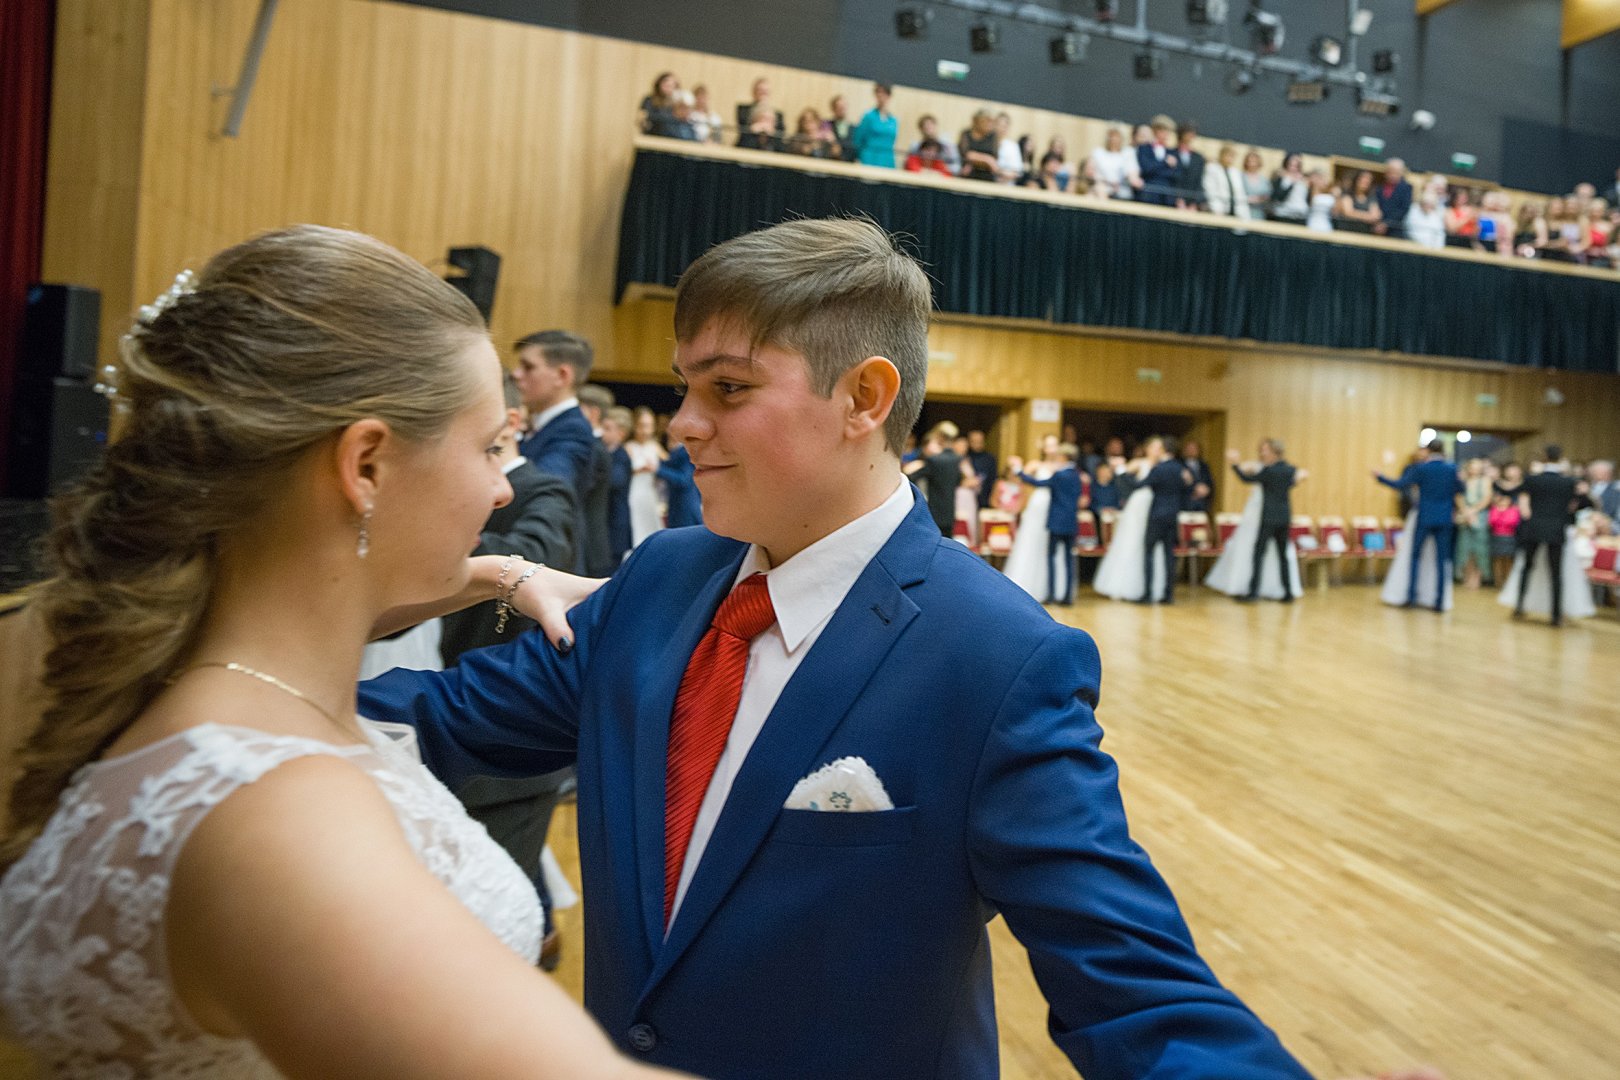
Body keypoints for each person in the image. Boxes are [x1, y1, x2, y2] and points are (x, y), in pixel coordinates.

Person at [359, 218, 1312, 1079]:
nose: (684, 423)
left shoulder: (997, 656)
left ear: (864, 397)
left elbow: (1135, 988)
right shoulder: (657, 581)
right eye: (686, 388)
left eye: (728, 388)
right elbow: (422, 722)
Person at [0, 226, 686, 1079]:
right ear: (365, 465)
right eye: (486, 448)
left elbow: (323, 594)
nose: (500, 487)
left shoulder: (184, 664)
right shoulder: (276, 817)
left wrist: (499, 573)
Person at [514, 330, 599, 575]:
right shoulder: (545, 426)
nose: (516, 374)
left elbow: (548, 486)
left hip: (544, 563)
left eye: (528, 367)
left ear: (562, 375)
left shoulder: (572, 430)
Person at [1500, 448, 1587, 626]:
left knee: (1527, 567)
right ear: (1560, 458)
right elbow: (1578, 504)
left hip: (1534, 529)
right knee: (1556, 573)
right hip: (1556, 530)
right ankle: (1556, 614)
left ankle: (1519, 606)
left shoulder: (1533, 480)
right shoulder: (1568, 482)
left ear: (1545, 458)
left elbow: (1511, 492)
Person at [1209, 440, 1303, 603]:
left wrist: (1235, 465)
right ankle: (1288, 592)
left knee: (1258, 554)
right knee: (1283, 556)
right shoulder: (1290, 470)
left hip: (1268, 518)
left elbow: (1246, 479)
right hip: (1284, 517)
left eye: (1266, 451)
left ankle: (1253, 592)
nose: (1263, 454)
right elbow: (1293, 482)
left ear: (1275, 452)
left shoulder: (1269, 471)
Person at [1375, 440, 1463, 611]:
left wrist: (1380, 477)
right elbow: (1461, 489)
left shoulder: (1421, 468)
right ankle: (1439, 601)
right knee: (1441, 560)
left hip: (1425, 517)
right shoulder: (1452, 469)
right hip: (1444, 519)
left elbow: (1400, 484)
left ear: (1428, 451)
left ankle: (1412, 597)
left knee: (1415, 557)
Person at [1016, 444, 1082, 604]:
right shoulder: (1076, 475)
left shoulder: (1060, 475)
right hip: (1071, 521)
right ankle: (1067, 596)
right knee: (1068, 560)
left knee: (1051, 557)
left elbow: (1039, 483)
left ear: (1064, 457)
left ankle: (1051, 594)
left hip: (1056, 521)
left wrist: (1020, 472)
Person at [1091, 451, 1156, 601]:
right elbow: (1126, 482)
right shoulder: (1137, 464)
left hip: (1148, 507)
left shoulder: (1159, 466)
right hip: (1135, 506)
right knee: (1129, 542)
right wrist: (1120, 469)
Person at [1002, 437, 1061, 601]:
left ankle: (1051, 587)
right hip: (1038, 505)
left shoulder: (1061, 467)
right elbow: (1019, 481)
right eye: (1049, 445)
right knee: (1032, 539)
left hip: (1054, 505)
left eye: (1055, 445)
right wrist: (1017, 467)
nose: (1052, 449)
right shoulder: (1036, 465)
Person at [1137, 436, 1194, 604]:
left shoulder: (1159, 468)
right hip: (1173, 515)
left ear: (1163, 449)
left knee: (1149, 552)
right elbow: (1188, 489)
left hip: (1157, 515)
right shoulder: (1180, 468)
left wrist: (1122, 475)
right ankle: (1168, 594)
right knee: (1169, 555)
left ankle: (1148, 593)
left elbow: (1142, 484)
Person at [902, 425, 962, 535]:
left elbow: (911, 478)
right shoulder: (956, 459)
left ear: (940, 440)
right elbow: (959, 481)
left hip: (934, 513)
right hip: (950, 513)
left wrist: (911, 467)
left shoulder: (933, 461)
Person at [625, 406, 667, 547]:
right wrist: (637, 471)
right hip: (633, 494)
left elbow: (669, 466)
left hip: (651, 494)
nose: (645, 430)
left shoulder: (655, 446)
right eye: (641, 426)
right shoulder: (628, 447)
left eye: (648, 426)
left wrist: (657, 470)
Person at [600, 406, 635, 564]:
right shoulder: (607, 453)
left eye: (607, 428)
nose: (602, 432)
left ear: (621, 433)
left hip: (615, 525)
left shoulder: (621, 456)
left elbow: (614, 481)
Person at [1455, 458, 1494, 588]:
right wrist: (1465, 511)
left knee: (1480, 548)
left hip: (1480, 516)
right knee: (1464, 548)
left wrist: (1474, 511)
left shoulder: (1485, 481)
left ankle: (1478, 577)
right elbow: (1458, 496)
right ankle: (1465, 575)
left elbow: (1487, 498)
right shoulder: (1463, 480)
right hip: (1464, 515)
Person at [656, 435, 703, 529]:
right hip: (677, 507)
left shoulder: (685, 452)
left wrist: (657, 469)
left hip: (685, 507)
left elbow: (684, 480)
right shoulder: (675, 451)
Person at [1136, 114, 1181, 206]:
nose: (1166, 134)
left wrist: (1157, 167)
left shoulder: (1172, 152)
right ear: (1156, 130)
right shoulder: (1144, 148)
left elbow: (1176, 174)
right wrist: (1165, 163)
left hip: (1167, 196)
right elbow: (1146, 168)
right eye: (1163, 130)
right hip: (1149, 193)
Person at [850, 82, 898, 168]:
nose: (881, 95)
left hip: (887, 160)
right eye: (878, 92)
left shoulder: (893, 120)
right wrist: (858, 158)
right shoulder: (868, 117)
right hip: (869, 158)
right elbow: (858, 140)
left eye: (884, 93)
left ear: (889, 96)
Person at [1088, 126, 1142, 200]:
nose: (1113, 139)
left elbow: (1132, 173)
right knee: (1095, 191)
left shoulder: (1128, 152)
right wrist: (1106, 183)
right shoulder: (1098, 152)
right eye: (1111, 136)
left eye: (1116, 136)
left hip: (1122, 192)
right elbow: (1090, 172)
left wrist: (1135, 181)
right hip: (1102, 189)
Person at [1203, 143, 1250, 218]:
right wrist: (1216, 210)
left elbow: (1240, 193)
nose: (1230, 158)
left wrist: (1244, 214)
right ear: (1222, 155)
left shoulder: (1235, 172)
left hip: (1235, 212)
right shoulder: (1212, 168)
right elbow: (1210, 191)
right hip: (1218, 211)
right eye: (1228, 155)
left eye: (1233, 156)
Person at [1487, 491, 1522, 587]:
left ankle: (1508, 582)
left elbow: (1512, 522)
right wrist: (1501, 514)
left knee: (1508, 559)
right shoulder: (1494, 509)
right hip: (1496, 537)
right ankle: (1498, 582)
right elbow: (1492, 521)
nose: (1503, 501)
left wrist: (1500, 516)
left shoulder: (1514, 510)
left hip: (1509, 538)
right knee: (1497, 559)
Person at [734, 77, 782, 145]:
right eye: (760, 90)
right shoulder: (743, 110)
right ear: (753, 92)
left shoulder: (779, 114)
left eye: (765, 91)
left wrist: (771, 131)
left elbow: (781, 136)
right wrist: (753, 129)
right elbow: (741, 130)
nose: (763, 93)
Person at [1373, 158, 1413, 239]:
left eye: (1396, 172)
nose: (1393, 175)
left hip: (1395, 230)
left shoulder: (1406, 188)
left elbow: (1403, 209)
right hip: (1376, 227)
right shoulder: (1379, 187)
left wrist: (1386, 224)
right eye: (1390, 172)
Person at [959, 108, 1001, 182]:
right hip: (968, 172)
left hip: (987, 173)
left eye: (991, 121)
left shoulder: (993, 136)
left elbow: (994, 157)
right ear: (977, 121)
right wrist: (987, 160)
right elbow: (967, 154)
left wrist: (976, 159)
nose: (989, 124)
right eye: (986, 121)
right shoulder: (966, 134)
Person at [1173, 122, 1207, 211]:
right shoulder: (1171, 153)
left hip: (1192, 203)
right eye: (1188, 132)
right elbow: (1172, 179)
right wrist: (1178, 199)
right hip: (1173, 200)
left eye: (1192, 133)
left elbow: (1199, 182)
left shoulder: (1198, 158)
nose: (1191, 135)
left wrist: (1195, 203)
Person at [1269, 153, 1310, 223]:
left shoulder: (1303, 180)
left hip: (1301, 215)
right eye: (1291, 165)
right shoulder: (1281, 179)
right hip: (1284, 214)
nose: (1294, 168)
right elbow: (1278, 197)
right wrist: (1292, 183)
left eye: (1297, 165)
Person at [966, 428, 998, 509]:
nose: (977, 444)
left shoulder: (990, 458)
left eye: (979, 441)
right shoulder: (964, 457)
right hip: (967, 496)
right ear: (969, 442)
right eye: (974, 441)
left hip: (985, 498)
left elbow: (993, 479)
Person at [1181, 438, 1214, 512]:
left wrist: (1207, 490)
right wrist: (1194, 489)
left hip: (1202, 504)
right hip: (1185, 504)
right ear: (1185, 450)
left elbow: (1210, 482)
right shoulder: (1179, 465)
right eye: (1189, 448)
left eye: (1194, 448)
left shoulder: (1204, 466)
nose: (1192, 451)